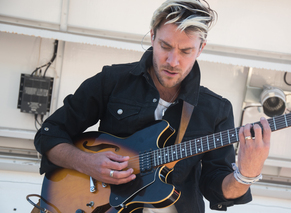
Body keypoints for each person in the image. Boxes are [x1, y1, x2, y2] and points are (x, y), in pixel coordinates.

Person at [34, 0, 271, 212]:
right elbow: (49, 135)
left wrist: (245, 175)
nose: (172, 61)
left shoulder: (215, 109)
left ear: (200, 49)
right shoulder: (112, 80)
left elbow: (215, 189)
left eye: (186, 51)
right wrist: (87, 163)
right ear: (152, 37)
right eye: (165, 46)